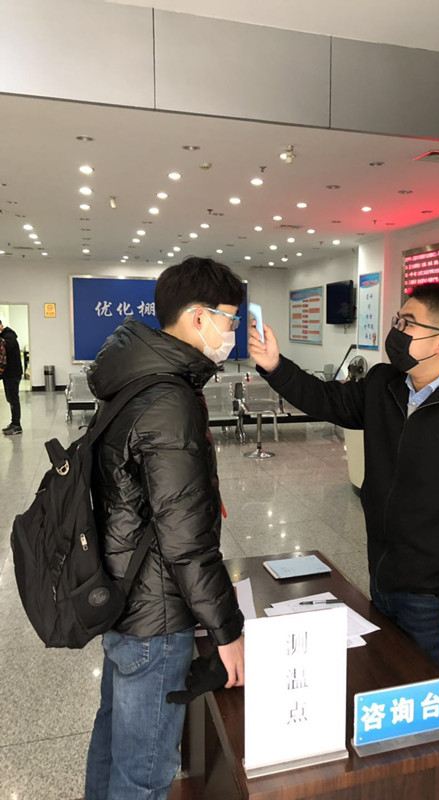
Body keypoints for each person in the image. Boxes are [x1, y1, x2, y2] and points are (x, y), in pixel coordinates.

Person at [248, 282, 439, 682]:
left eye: (408, 323)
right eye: (398, 320)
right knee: (385, 681)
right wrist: (276, 366)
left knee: (429, 698)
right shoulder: (385, 384)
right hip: (383, 576)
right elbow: (327, 399)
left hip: (438, 596)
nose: (395, 330)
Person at [85, 257, 246, 800]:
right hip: (155, 618)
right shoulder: (170, 399)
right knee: (144, 776)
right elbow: (186, 538)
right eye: (229, 319)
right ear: (198, 317)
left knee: (112, 744)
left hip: (123, 597)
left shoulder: (133, 379)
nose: (231, 331)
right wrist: (227, 632)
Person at [0, 319, 23, 436]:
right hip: (7, 374)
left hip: (13, 374)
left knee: (13, 399)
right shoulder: (4, 336)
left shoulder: (9, 336)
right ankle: (13, 422)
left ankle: (17, 425)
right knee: (10, 399)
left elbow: (6, 348)